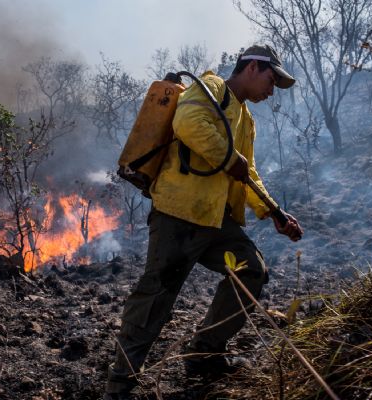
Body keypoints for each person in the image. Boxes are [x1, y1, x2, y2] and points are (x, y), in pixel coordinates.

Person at [104, 44, 303, 400]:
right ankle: (121, 384)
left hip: (213, 219)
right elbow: (187, 122)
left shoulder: (246, 117)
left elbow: (247, 172)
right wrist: (230, 157)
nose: (271, 91)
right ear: (253, 68)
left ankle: (204, 355)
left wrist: (274, 212)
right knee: (156, 298)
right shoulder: (211, 87)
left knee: (251, 271)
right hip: (178, 214)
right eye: (271, 80)